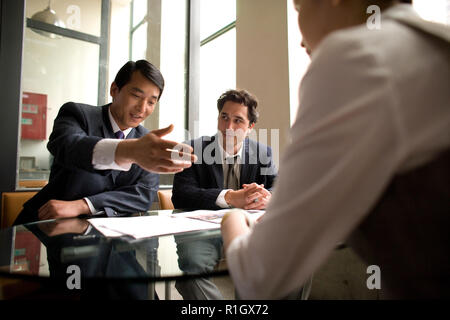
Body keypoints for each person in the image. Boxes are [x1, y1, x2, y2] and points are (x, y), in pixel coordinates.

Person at [221, 0, 450, 299]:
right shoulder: (433, 47)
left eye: (299, 9)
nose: (301, 39)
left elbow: (258, 276)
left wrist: (234, 218)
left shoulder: (357, 56)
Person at [14, 60, 195, 225]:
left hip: (113, 237)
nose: (142, 108)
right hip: (49, 226)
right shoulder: (78, 114)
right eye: (136, 96)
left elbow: (143, 194)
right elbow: (68, 146)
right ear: (114, 89)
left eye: (151, 102)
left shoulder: (146, 140)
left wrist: (84, 205)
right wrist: (128, 150)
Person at [172, 89, 278, 299]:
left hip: (251, 227)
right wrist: (229, 197)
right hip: (201, 230)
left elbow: (279, 187)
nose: (228, 127)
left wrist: (269, 197)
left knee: (296, 258)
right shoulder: (194, 148)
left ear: (250, 128)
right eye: (224, 117)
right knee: (193, 269)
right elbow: (181, 194)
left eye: (238, 120)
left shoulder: (262, 152)